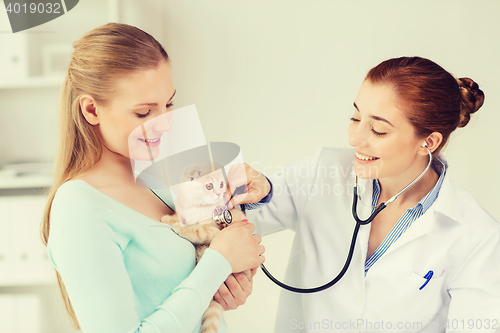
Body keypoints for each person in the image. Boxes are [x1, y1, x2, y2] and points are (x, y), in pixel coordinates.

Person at [229, 56, 500, 332]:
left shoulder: (477, 238)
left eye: (378, 130)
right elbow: (233, 222)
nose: (354, 139)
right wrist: (251, 193)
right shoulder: (323, 171)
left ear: (428, 142)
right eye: (355, 117)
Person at [40, 23, 266, 333]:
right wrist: (218, 264)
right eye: (144, 112)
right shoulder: (78, 206)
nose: (166, 124)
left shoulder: (164, 163)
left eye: (169, 104)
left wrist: (228, 283)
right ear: (92, 109)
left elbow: (222, 247)